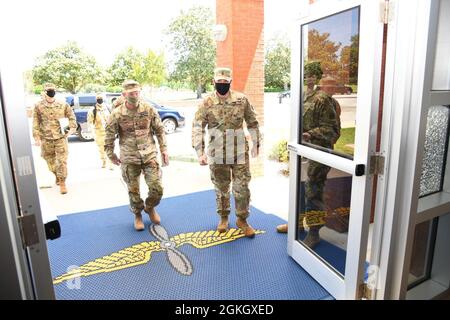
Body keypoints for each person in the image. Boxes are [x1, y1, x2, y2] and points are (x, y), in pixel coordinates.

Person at [277, 62, 340, 249]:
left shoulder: (323, 99)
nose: (308, 78)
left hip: (317, 152)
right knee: (297, 188)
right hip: (301, 151)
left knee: (314, 192)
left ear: (318, 77)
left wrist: (310, 134)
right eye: (306, 74)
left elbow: (332, 130)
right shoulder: (301, 96)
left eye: (312, 75)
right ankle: (296, 224)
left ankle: (314, 232)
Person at [192, 67, 261, 238]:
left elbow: (252, 122)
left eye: (225, 82)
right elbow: (197, 127)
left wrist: (256, 144)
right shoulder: (206, 103)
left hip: (239, 151)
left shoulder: (241, 100)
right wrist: (200, 152)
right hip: (217, 153)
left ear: (230, 82)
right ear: (213, 82)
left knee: (242, 188)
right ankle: (223, 217)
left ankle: (242, 220)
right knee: (222, 188)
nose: (222, 85)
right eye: (219, 82)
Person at [104, 80, 169, 231]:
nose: (135, 95)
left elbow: (159, 129)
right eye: (131, 93)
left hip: (149, 154)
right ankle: (138, 214)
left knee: (157, 187)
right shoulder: (117, 113)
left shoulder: (148, 109)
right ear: (124, 94)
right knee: (133, 190)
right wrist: (110, 154)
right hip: (129, 156)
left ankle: (150, 207)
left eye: (137, 92)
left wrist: (164, 149)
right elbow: (108, 135)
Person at [33, 83, 77, 194]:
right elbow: (36, 121)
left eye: (53, 90)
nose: (51, 92)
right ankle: (57, 175)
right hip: (46, 139)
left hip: (60, 138)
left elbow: (71, 117)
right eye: (48, 90)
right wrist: (36, 137)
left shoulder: (63, 104)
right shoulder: (38, 106)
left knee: (61, 161)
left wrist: (72, 128)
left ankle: (62, 183)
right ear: (44, 91)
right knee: (50, 161)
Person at [87, 94, 113, 169]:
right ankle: (104, 160)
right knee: (102, 149)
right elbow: (90, 122)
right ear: (96, 99)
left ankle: (111, 163)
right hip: (99, 132)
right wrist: (93, 133)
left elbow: (113, 120)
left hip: (108, 132)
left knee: (110, 148)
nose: (100, 99)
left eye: (101, 98)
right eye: (98, 98)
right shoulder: (92, 110)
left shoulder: (108, 108)